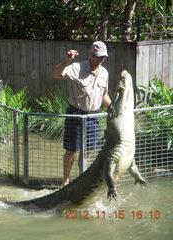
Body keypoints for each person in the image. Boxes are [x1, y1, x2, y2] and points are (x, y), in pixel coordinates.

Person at [52, 41, 112, 186]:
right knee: (72, 150)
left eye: (103, 57)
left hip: (93, 116)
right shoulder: (77, 67)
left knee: (88, 151)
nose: (100, 60)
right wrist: (66, 61)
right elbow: (56, 75)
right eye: (98, 56)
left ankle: (83, 179)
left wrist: (113, 108)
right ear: (91, 55)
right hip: (76, 114)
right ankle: (65, 181)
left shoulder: (104, 73)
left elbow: (104, 94)